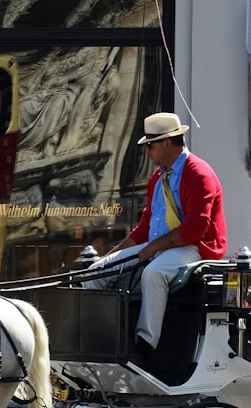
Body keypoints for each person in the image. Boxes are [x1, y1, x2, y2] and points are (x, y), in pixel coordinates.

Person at [83, 112, 227, 366]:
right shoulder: (157, 178)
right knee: (96, 274)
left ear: (167, 143)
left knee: (154, 273)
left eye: (149, 145)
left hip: (195, 248)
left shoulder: (199, 174)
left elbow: (196, 228)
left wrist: (153, 248)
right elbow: (144, 228)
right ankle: (107, 342)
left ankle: (144, 348)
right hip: (161, 246)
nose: (147, 152)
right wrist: (109, 258)